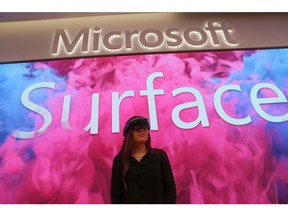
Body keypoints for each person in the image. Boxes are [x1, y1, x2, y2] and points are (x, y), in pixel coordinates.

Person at [110, 116, 176, 204]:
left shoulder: (160, 156)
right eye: (137, 128)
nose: (142, 130)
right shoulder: (119, 161)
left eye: (145, 127)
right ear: (129, 134)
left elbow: (170, 189)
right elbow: (116, 196)